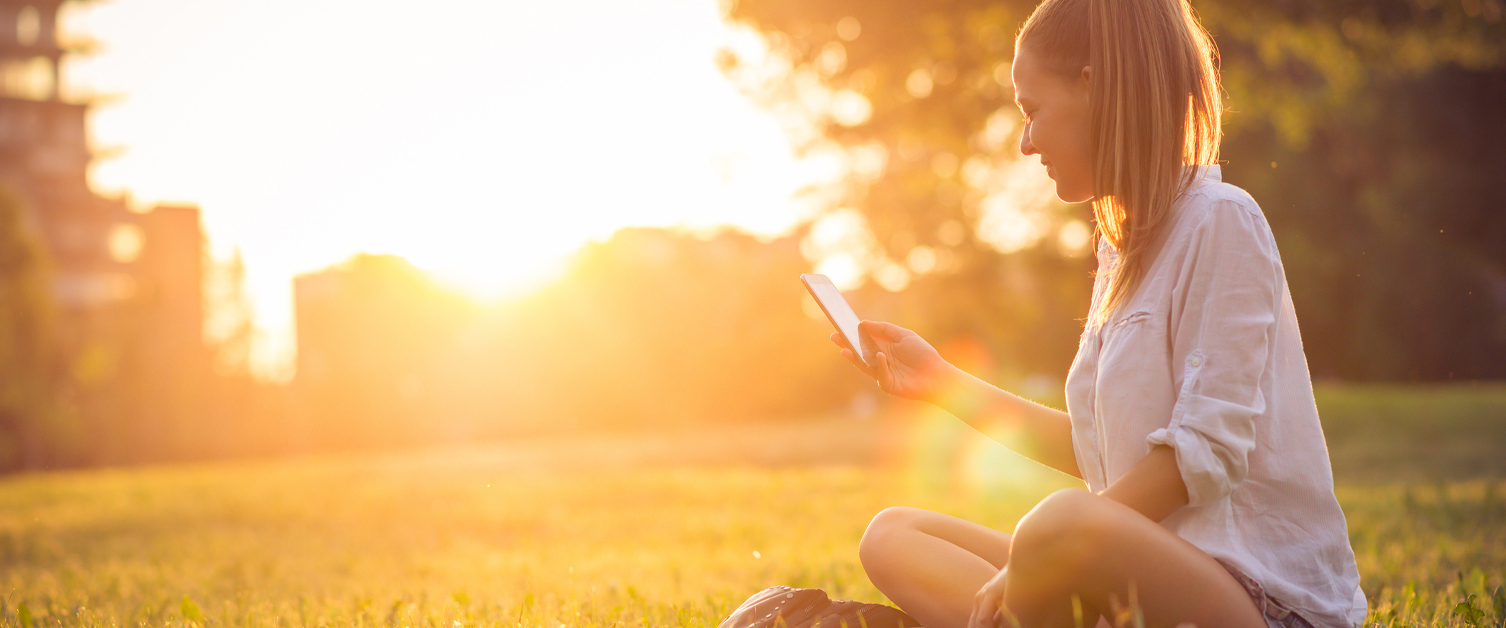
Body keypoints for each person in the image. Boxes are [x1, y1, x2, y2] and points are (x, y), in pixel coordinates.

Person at [827, 0, 1367, 626]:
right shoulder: (1121, 247)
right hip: (1136, 582)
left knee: (1057, 523)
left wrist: (1050, 553)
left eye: (1033, 110)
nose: (1025, 142)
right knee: (893, 534)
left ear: (1095, 87)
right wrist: (940, 383)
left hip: (1256, 601)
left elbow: (1204, 454)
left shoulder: (1222, 220)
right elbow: (1103, 453)